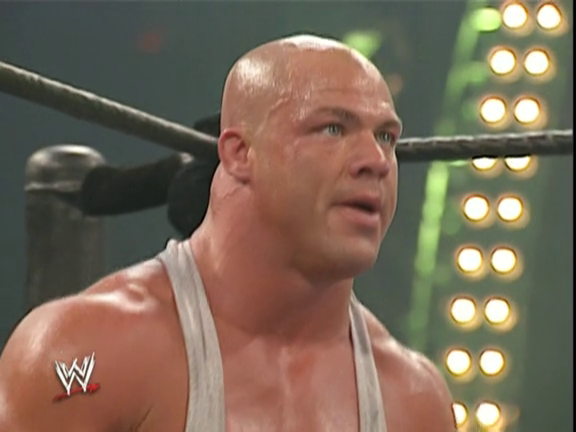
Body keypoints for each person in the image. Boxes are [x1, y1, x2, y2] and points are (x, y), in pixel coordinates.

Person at [0, 34, 457, 432]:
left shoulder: (413, 399)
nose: (376, 161)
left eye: (386, 137)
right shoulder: (89, 352)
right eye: (333, 129)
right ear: (239, 154)